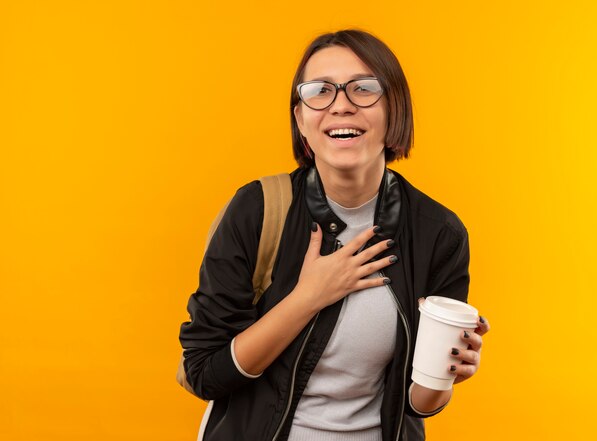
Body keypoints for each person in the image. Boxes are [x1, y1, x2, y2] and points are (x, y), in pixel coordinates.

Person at [179, 29, 491, 441]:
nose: (341, 106)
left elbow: (417, 405)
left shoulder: (438, 233)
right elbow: (204, 374)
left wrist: (445, 374)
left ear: (394, 109)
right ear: (301, 120)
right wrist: (307, 298)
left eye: (363, 89)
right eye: (320, 91)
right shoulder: (257, 211)